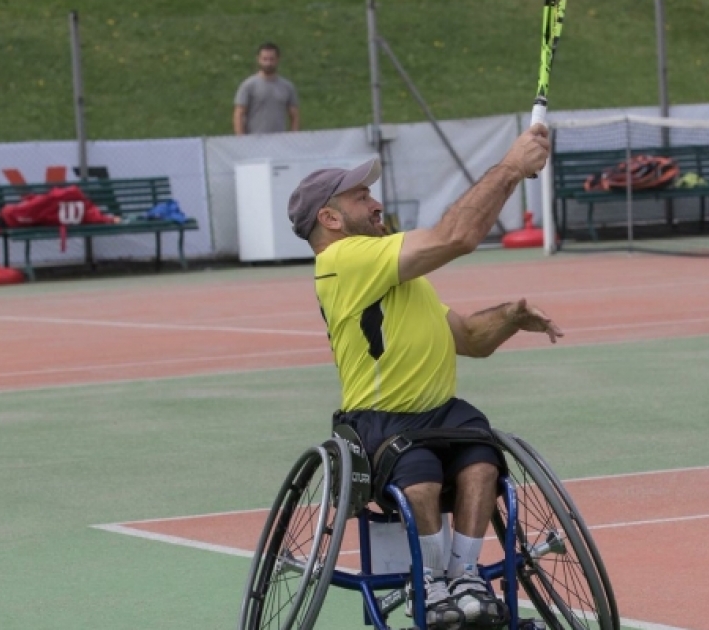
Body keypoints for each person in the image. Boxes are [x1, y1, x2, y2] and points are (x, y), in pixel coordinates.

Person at [287, 124, 560, 630]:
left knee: (481, 462)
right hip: (380, 420)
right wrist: (511, 167)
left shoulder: (397, 276)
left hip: (442, 414)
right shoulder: (343, 260)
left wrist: (509, 317)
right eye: (361, 196)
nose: (375, 202)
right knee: (422, 475)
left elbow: (470, 339)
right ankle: (431, 586)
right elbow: (457, 235)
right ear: (329, 218)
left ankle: (464, 580)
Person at [233, 42, 300, 135]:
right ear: (258, 59)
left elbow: (294, 115)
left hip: (279, 141)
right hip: (254, 140)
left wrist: (293, 137)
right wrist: (241, 140)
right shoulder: (248, 85)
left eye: (271, 59)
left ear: (278, 60)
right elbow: (239, 114)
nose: (268, 63)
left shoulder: (287, 87)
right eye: (265, 59)